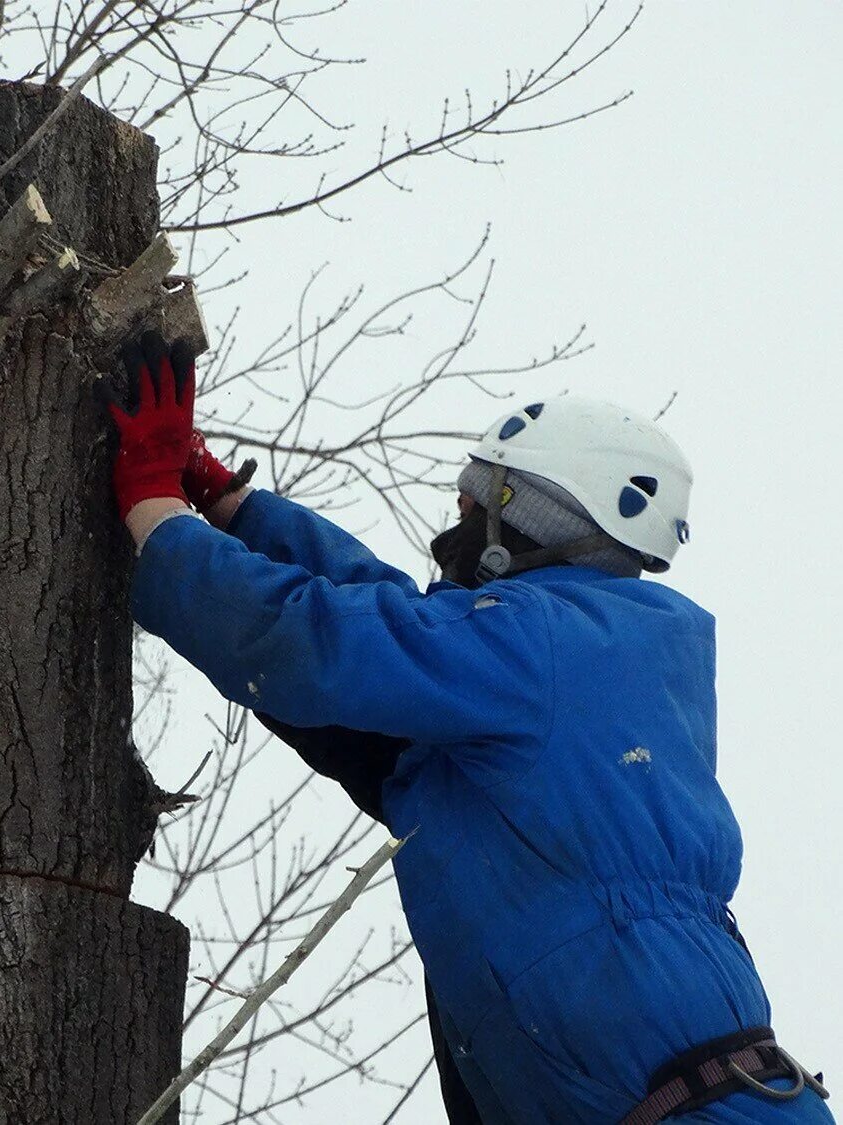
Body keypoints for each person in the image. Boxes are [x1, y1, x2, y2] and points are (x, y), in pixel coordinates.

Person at [105, 332, 833, 1124]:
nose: (450, 531)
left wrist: (159, 512)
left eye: (471, 506)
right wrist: (232, 510)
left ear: (531, 520)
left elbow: (334, 642)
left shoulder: (540, 643)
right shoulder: (595, 656)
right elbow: (396, 631)